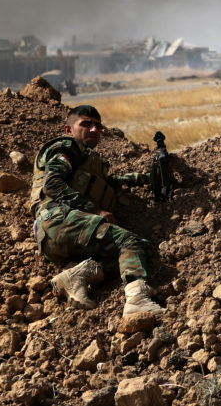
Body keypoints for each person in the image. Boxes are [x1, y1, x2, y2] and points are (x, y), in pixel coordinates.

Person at [30, 105, 164, 316]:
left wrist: (148, 178)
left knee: (139, 252)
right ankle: (137, 302)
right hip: (57, 220)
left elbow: (108, 183)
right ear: (68, 130)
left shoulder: (87, 161)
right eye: (86, 124)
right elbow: (53, 184)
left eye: (98, 126)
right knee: (129, 242)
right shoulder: (67, 148)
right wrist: (94, 210)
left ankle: (77, 276)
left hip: (59, 235)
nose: (94, 130)